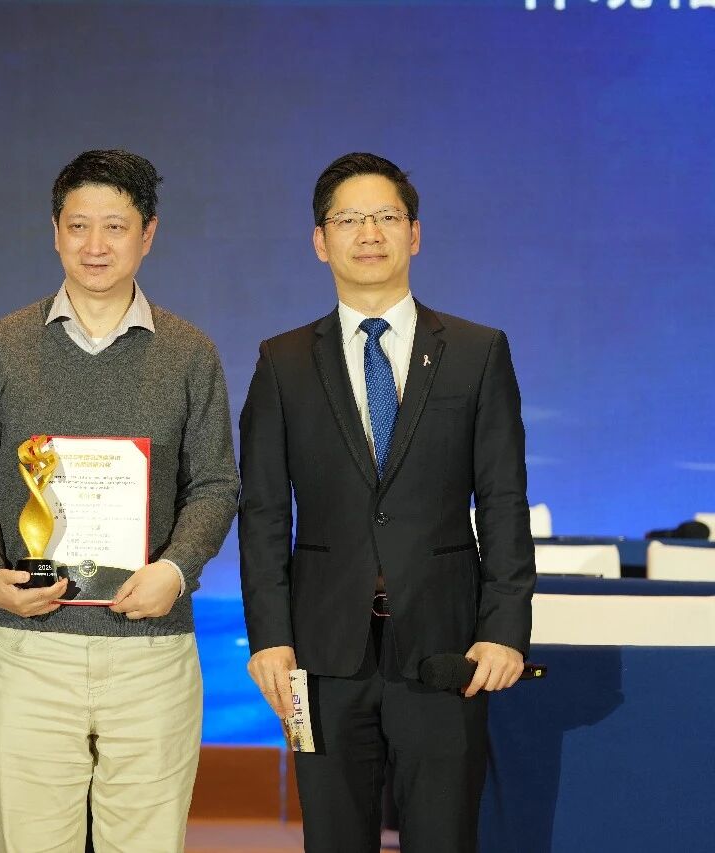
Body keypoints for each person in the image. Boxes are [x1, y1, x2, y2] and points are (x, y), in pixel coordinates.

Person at [238, 152, 536, 853]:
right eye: (348, 219)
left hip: (446, 645)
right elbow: (264, 513)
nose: (368, 233)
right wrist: (270, 637)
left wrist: (505, 627)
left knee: (444, 837)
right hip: (321, 654)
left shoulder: (477, 351)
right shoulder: (282, 361)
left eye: (385, 217)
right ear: (321, 241)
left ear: (415, 233)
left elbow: (503, 499)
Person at [0, 149, 239, 853]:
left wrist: (176, 570)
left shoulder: (190, 353)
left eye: (115, 226)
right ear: (55, 232)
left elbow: (215, 484)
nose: (95, 245)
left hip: (151, 651)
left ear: (148, 234)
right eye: (78, 226)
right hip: (30, 648)